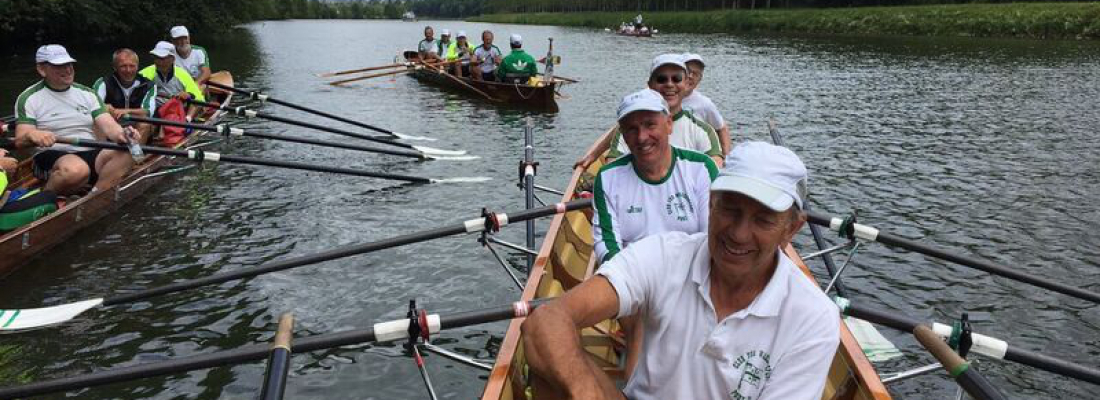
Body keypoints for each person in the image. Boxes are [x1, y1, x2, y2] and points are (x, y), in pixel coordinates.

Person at [523, 141, 841, 400]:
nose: (740, 234)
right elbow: (546, 321)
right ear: (711, 203)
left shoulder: (814, 317)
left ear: (792, 229)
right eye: (730, 208)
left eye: (763, 219)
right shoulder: (664, 254)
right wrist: (583, 390)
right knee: (548, 358)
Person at [593, 88, 718, 263]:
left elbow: (712, 236)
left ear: (668, 124)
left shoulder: (702, 168)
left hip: (692, 274)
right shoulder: (608, 177)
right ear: (624, 135)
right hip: (633, 277)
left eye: (650, 124)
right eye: (632, 129)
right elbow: (606, 244)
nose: (642, 137)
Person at [12, 45, 137, 196]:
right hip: (52, 154)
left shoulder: (87, 94)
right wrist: (32, 135)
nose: (67, 70)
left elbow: (110, 127)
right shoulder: (29, 98)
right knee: (77, 170)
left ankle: (95, 196)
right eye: (59, 65)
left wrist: (124, 134)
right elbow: (20, 140)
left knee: (130, 150)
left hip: (90, 150)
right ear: (41, 69)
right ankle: (43, 200)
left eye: (69, 64)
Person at [577, 54, 723, 169]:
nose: (669, 84)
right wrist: (593, 155)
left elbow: (714, 177)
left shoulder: (704, 132)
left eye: (676, 78)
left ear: (686, 84)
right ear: (650, 86)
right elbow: (613, 172)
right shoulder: (626, 132)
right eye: (661, 79)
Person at [93, 48, 156, 143]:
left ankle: (134, 156)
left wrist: (124, 111)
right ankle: (101, 152)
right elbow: (92, 106)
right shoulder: (103, 83)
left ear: (137, 66)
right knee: (96, 121)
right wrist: (104, 107)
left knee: (145, 123)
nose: (128, 70)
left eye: (132, 66)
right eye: (123, 66)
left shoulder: (149, 85)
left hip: (135, 124)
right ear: (115, 67)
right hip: (112, 123)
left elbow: (147, 112)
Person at [682, 53, 732, 155]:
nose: (690, 76)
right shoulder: (661, 98)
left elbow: (722, 128)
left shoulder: (705, 104)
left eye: (695, 74)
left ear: (700, 79)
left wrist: (726, 158)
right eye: (687, 71)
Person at [140, 41, 205, 111]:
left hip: (176, 112)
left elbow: (199, 98)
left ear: (173, 59)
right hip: (151, 111)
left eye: (162, 58)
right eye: (156, 58)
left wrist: (188, 94)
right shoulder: (145, 73)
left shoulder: (182, 74)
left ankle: (187, 118)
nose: (158, 62)